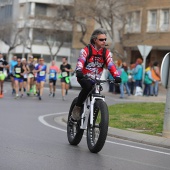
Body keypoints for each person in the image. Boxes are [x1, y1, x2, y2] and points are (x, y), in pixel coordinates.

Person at [71, 28, 121, 120]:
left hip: (96, 79)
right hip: (84, 77)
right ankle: (77, 107)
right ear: (95, 40)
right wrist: (79, 71)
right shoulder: (86, 50)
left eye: (105, 39)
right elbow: (81, 61)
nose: (104, 41)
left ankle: (93, 119)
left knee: (96, 94)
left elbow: (110, 64)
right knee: (88, 87)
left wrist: (116, 76)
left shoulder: (106, 53)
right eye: (101, 39)